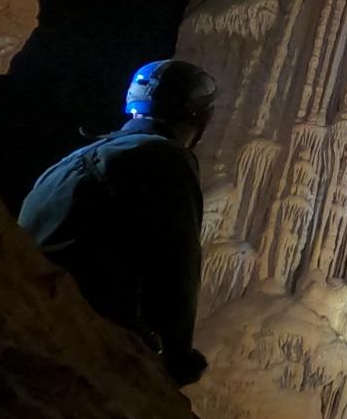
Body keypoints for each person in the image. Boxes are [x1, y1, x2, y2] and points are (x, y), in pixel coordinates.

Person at [19, 59, 216, 385]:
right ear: (199, 117)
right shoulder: (163, 158)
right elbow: (176, 263)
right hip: (77, 329)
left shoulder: (79, 158)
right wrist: (177, 356)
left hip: (27, 305)